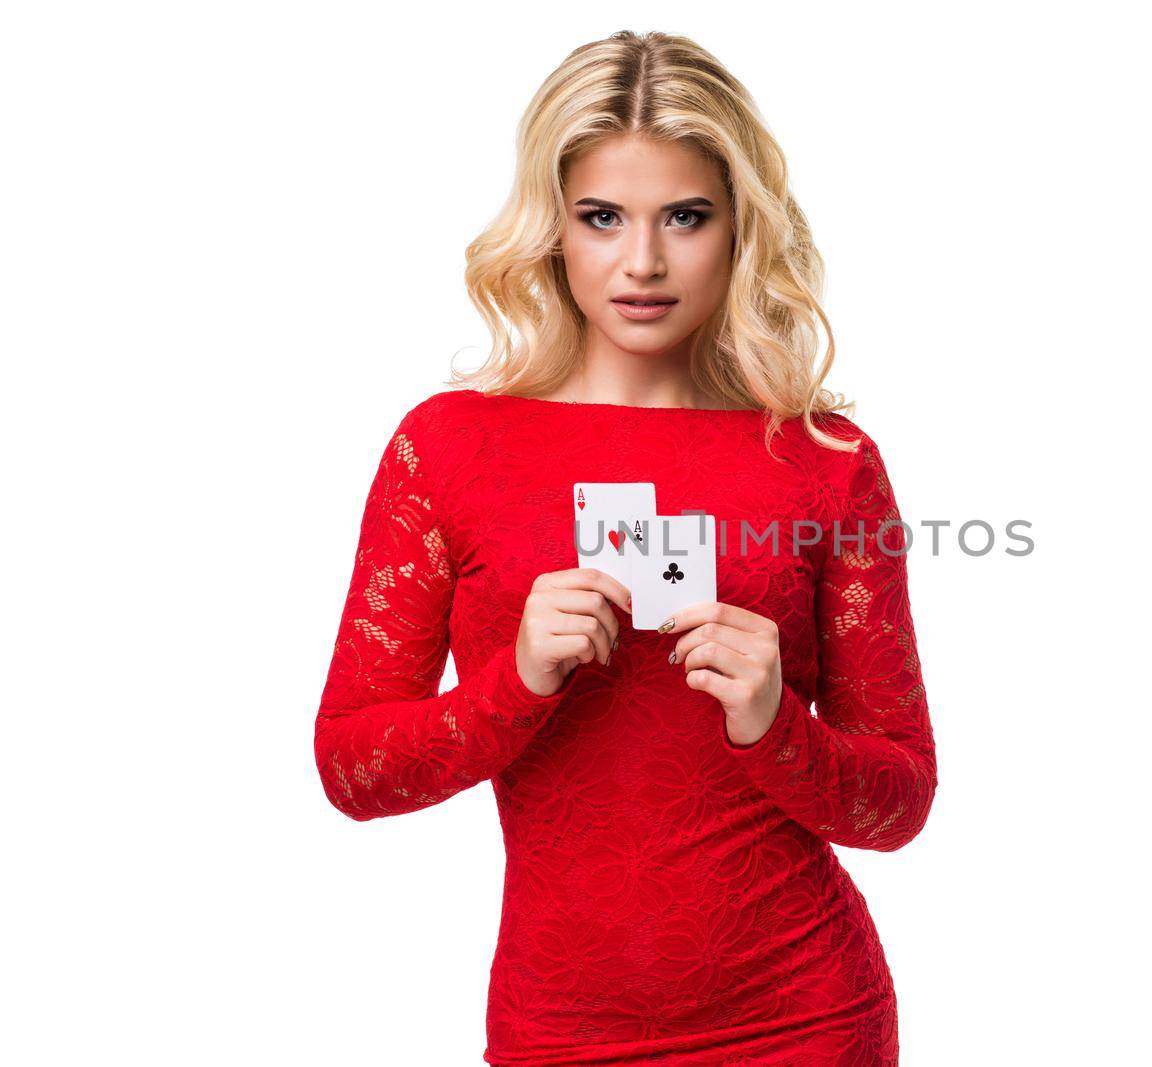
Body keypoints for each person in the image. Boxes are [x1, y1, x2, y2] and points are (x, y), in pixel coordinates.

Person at [313, 29, 937, 1067]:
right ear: (552, 227)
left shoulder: (827, 460)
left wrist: (771, 722)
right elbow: (352, 769)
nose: (641, 260)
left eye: (684, 217)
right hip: (559, 1030)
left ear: (741, 229)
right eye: (602, 217)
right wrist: (514, 679)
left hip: (803, 1017)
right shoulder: (448, 446)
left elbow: (900, 800)